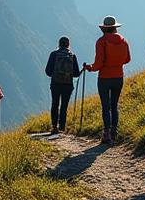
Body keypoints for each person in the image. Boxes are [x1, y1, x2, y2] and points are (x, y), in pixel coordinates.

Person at [84, 16, 131, 144]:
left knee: (105, 106)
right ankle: (114, 131)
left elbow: (98, 64)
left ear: (104, 28)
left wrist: (90, 68)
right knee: (114, 105)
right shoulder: (124, 41)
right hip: (118, 77)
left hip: (104, 78)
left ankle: (106, 133)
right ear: (115, 28)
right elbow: (127, 59)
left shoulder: (101, 41)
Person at [44, 36, 81, 134]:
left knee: (55, 104)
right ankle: (62, 127)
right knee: (64, 105)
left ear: (59, 44)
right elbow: (76, 74)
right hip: (67, 85)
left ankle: (54, 127)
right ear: (68, 44)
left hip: (55, 84)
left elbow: (48, 71)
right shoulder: (72, 55)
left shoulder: (54, 54)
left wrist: (55, 74)